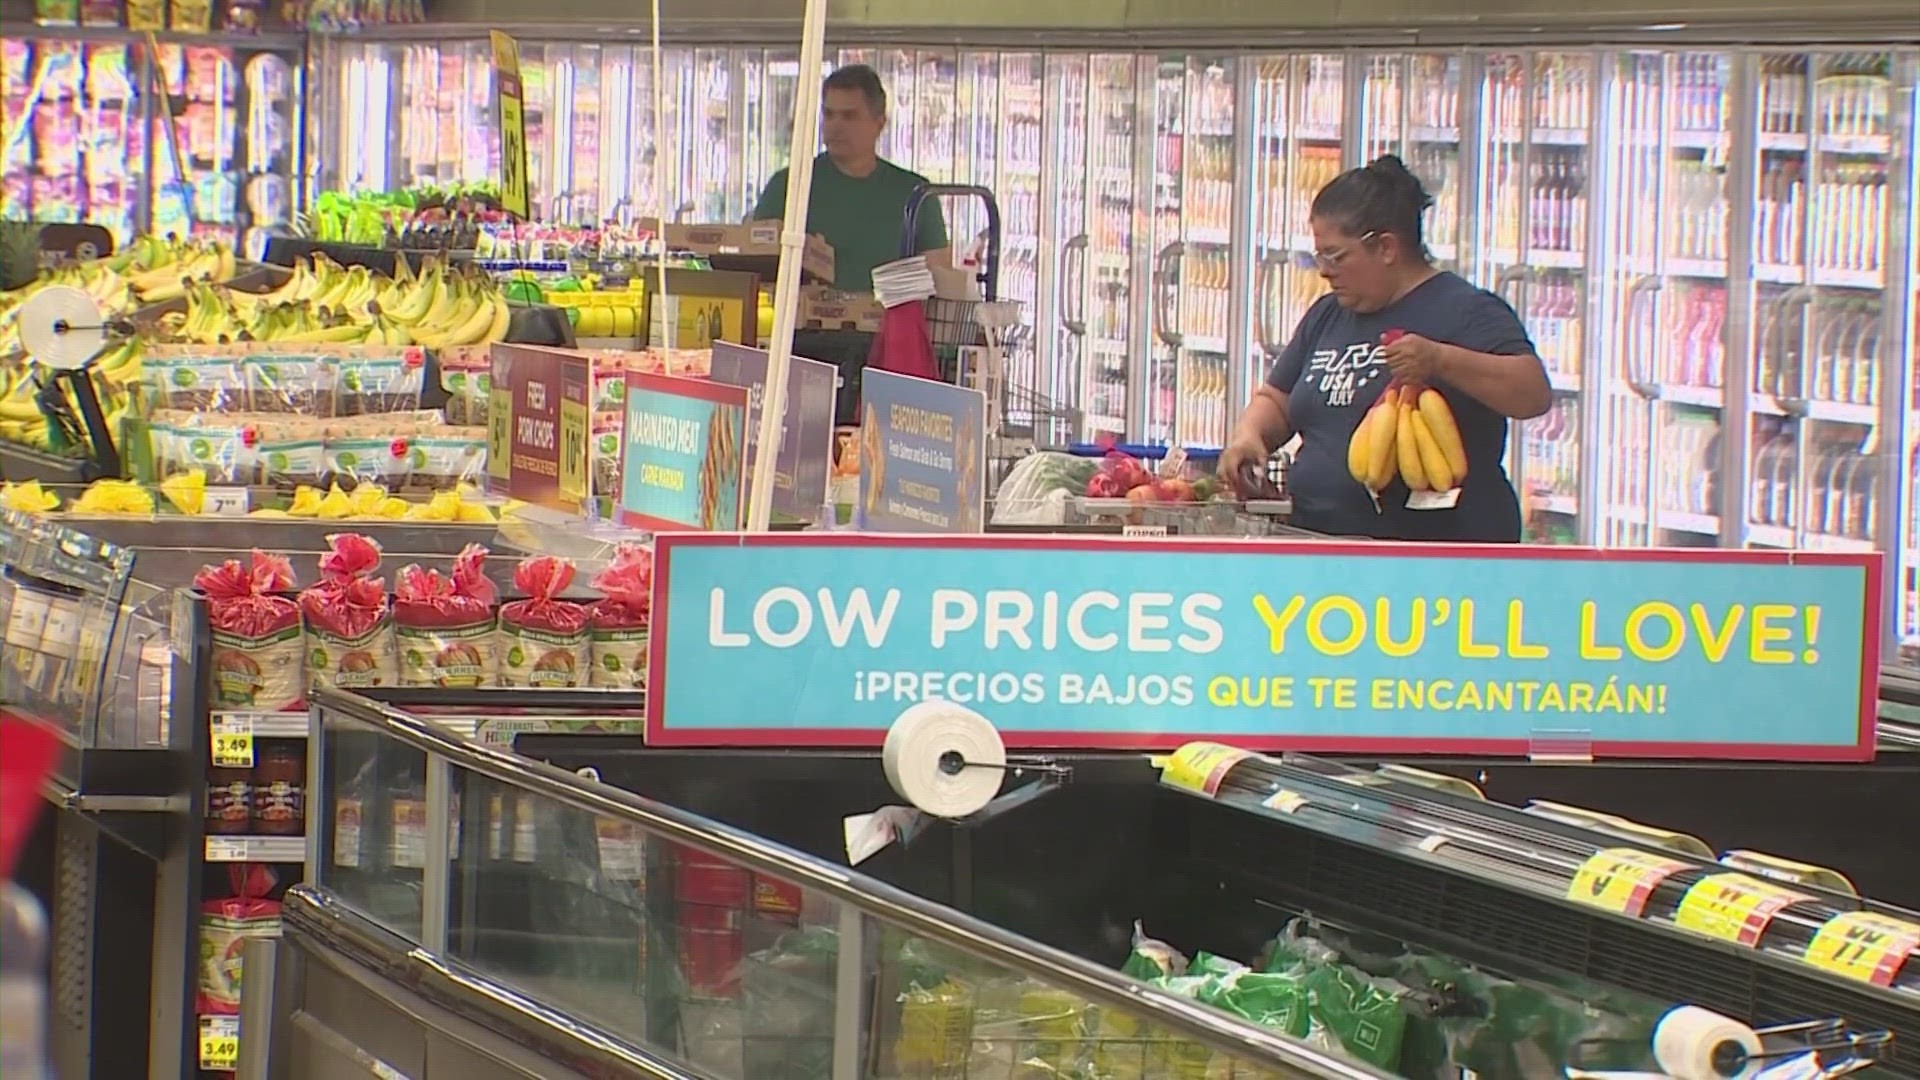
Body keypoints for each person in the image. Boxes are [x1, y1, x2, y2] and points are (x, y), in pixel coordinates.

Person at [1219, 155, 1551, 542]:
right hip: (1317, 541)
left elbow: (1532, 393)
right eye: (1318, 256)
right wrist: (1249, 436)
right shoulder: (1330, 313)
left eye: (1336, 256)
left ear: (1387, 248)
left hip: (1430, 553)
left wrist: (1441, 360)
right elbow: (1279, 397)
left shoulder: (1468, 311)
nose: (1324, 270)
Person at [751, 65, 951, 294]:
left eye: (849, 116)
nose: (836, 126)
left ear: (879, 123)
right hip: (803, 328)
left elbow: (940, 283)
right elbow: (754, 267)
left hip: (889, 329)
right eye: (829, 114)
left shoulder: (915, 195)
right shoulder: (788, 186)